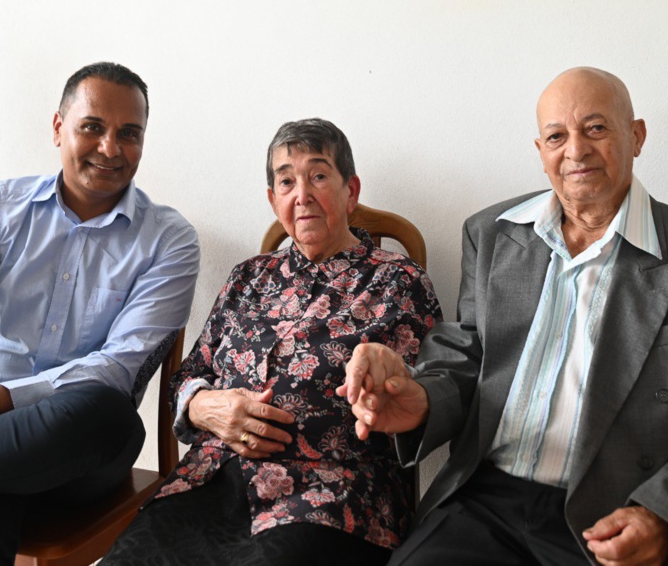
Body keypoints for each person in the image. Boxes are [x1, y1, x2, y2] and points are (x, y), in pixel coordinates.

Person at [340, 67, 668, 565]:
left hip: (620, 515)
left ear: (636, 136)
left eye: (596, 128)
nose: (575, 150)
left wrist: (661, 516)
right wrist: (421, 399)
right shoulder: (491, 233)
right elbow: (467, 360)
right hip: (486, 502)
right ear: (540, 151)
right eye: (557, 136)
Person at [0, 62, 200, 565]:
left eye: (129, 134)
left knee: (107, 411)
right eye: (92, 127)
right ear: (58, 128)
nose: (110, 148)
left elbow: (118, 367)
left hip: (76, 448)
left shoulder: (168, 239)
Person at [102, 118, 442, 566]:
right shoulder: (248, 277)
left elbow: (428, 393)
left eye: (319, 175)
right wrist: (203, 405)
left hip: (331, 492)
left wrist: (386, 389)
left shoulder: (398, 280)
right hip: (211, 479)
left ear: (350, 191)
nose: (302, 194)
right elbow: (189, 374)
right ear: (273, 199)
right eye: (286, 181)